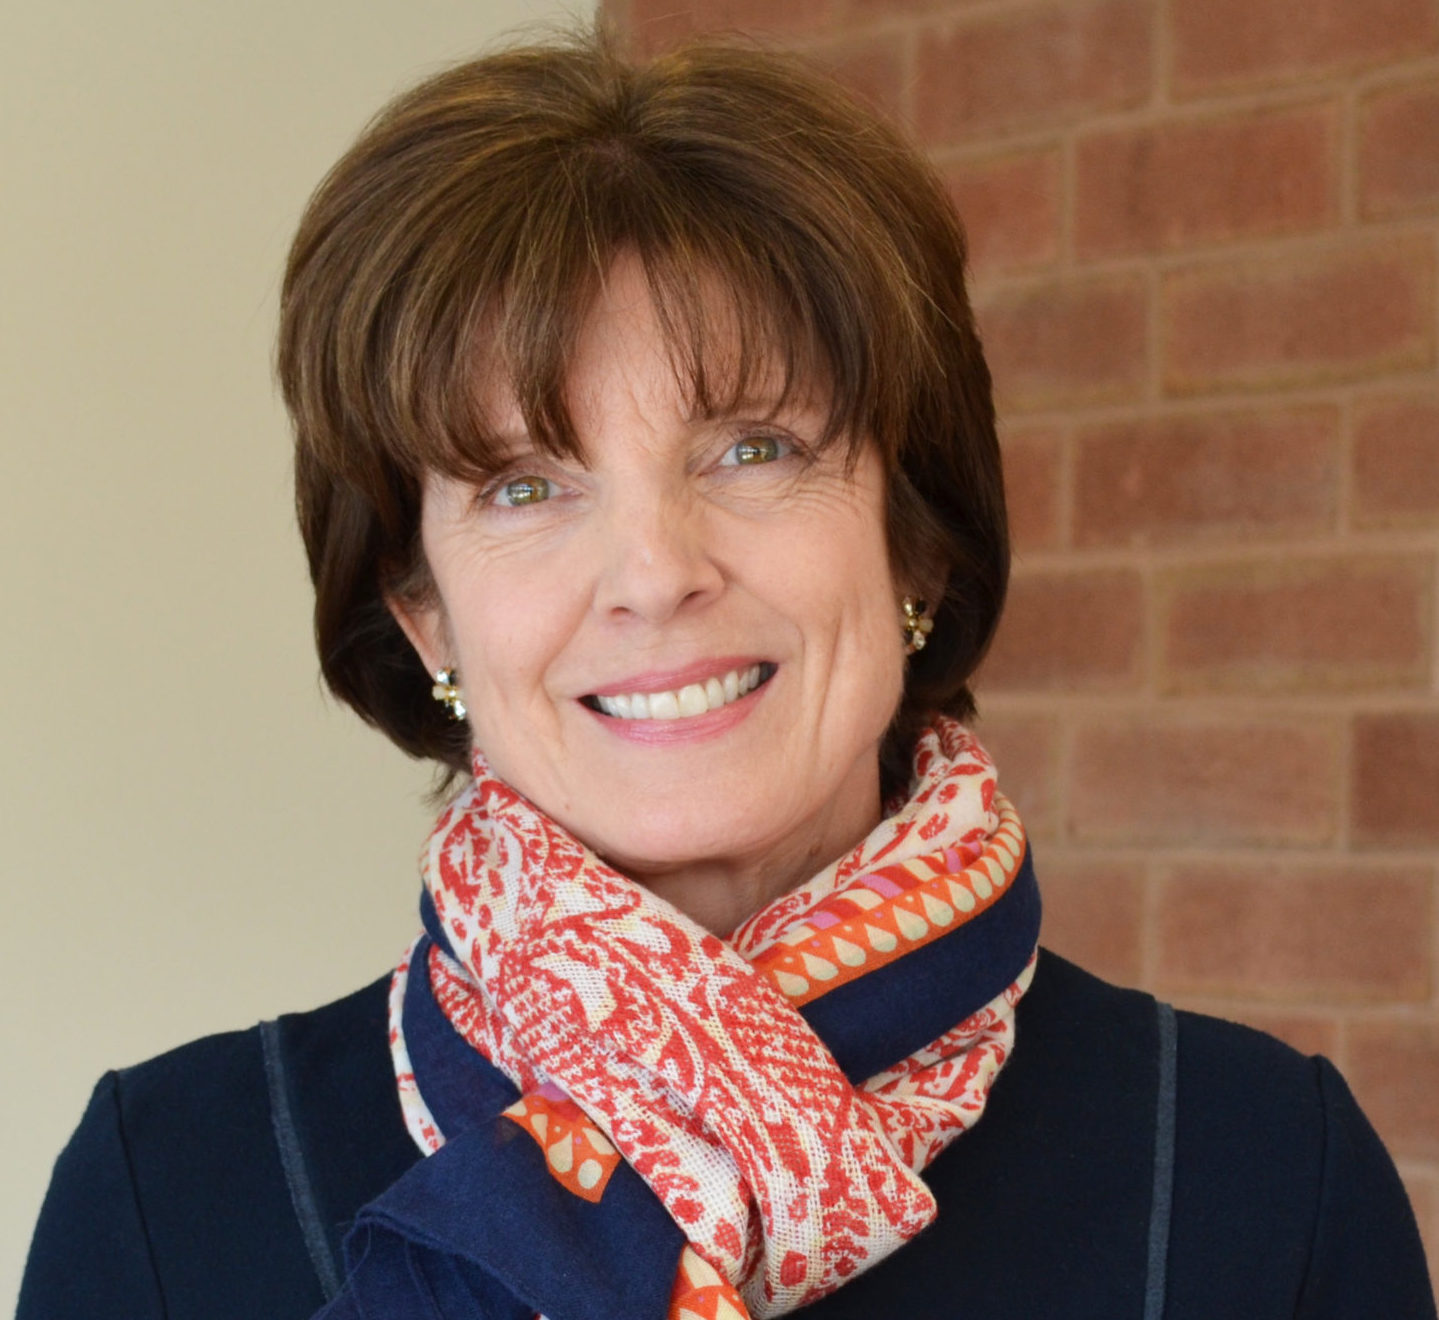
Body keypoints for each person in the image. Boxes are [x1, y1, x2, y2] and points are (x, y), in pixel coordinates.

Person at [18, 27, 1436, 1320]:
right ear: (424, 613)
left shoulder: (1264, 1180)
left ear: (916, 544)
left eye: (753, 446)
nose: (656, 570)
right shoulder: (165, 1195)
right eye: (524, 485)